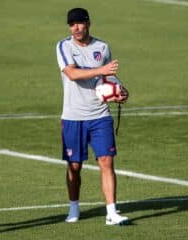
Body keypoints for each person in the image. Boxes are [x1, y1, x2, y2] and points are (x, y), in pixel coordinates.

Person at [56, 7, 130, 225]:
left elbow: (109, 78)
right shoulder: (64, 46)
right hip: (73, 116)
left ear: (88, 23)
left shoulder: (102, 47)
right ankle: (73, 207)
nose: (76, 28)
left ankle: (111, 212)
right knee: (74, 166)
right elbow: (72, 73)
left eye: (79, 23)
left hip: (100, 116)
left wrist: (120, 91)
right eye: (72, 25)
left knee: (106, 161)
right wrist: (101, 70)